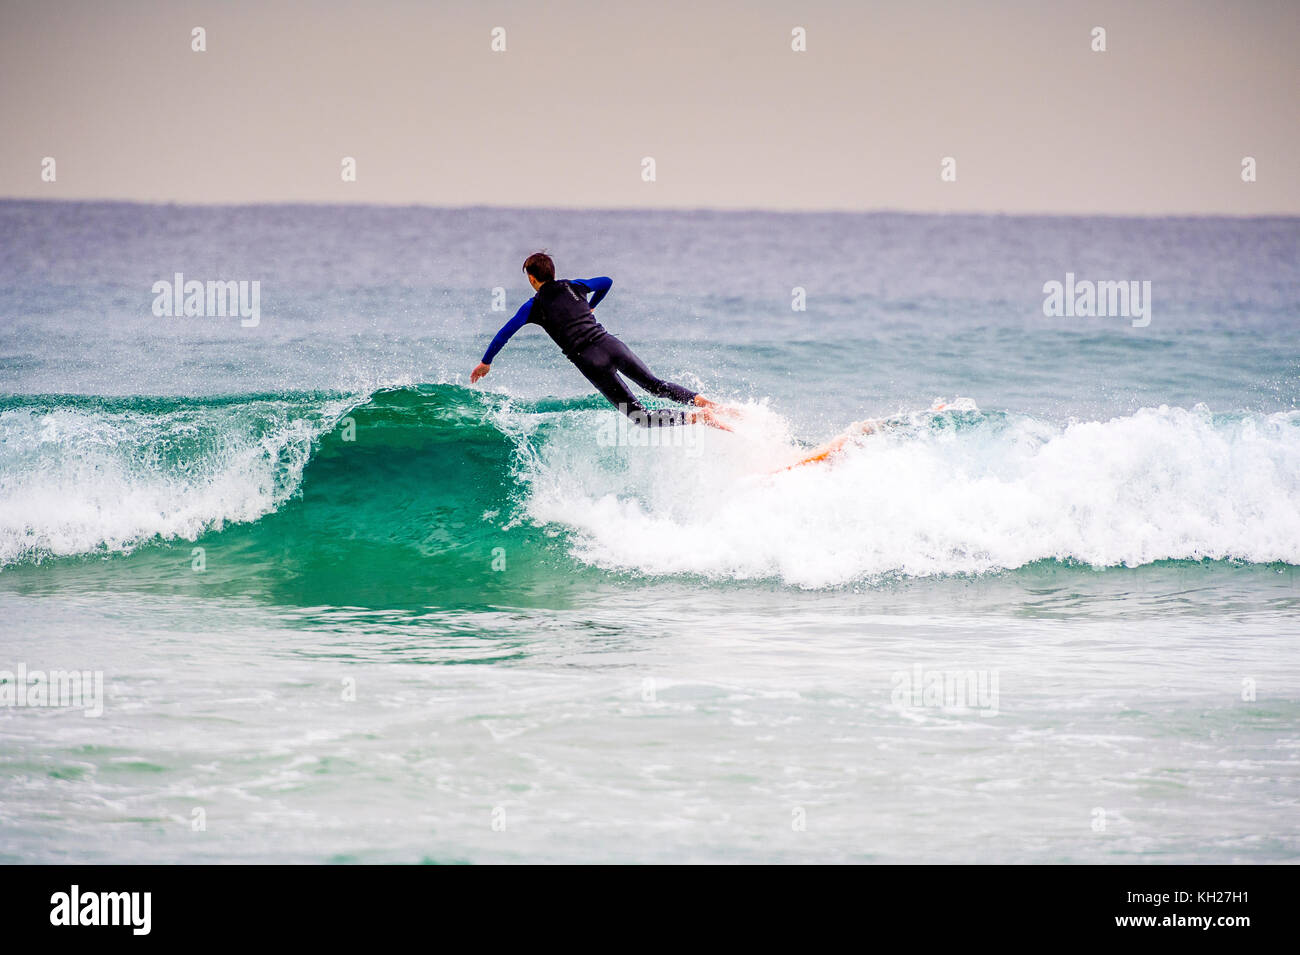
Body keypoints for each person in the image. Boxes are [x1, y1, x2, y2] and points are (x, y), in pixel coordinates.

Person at [471, 252, 731, 429]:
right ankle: (708, 404)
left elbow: (504, 333)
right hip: (611, 345)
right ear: (552, 272)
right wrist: (592, 306)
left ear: (531, 277)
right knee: (656, 385)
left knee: (641, 417)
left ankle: (700, 418)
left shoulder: (533, 306)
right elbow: (606, 281)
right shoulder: (575, 286)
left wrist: (486, 362)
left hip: (591, 361)